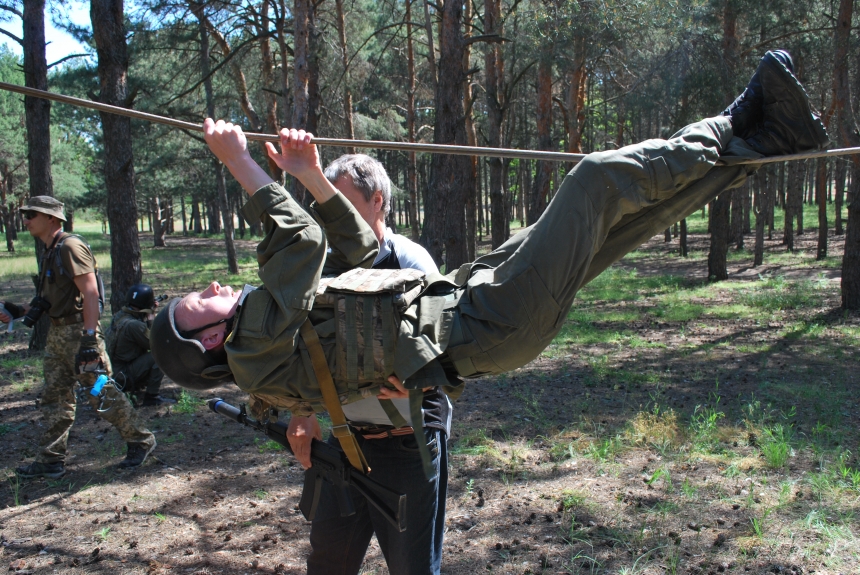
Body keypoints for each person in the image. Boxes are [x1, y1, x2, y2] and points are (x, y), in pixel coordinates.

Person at [150, 50, 827, 571]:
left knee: (624, 223)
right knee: (594, 180)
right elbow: (299, 239)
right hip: (485, 324)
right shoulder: (253, 348)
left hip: (472, 298)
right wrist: (239, 162)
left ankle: (763, 140)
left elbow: (357, 250)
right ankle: (738, 119)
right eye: (197, 300)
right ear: (206, 341)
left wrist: (311, 176)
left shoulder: (270, 325)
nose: (212, 284)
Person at [288, 153, 449, 574]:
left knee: (412, 569)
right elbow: (306, 348)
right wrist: (301, 412)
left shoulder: (411, 263)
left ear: (376, 200)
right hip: (343, 444)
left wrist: (423, 381)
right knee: (328, 563)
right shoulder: (323, 269)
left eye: (341, 202)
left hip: (407, 445)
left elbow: (450, 349)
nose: (331, 216)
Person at [0, 197, 156, 479]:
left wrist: (88, 339)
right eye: (25, 214)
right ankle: (50, 459)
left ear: (51, 218)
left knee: (102, 394)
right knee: (55, 398)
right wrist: (18, 310)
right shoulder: (51, 250)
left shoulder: (70, 246)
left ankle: (141, 440)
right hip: (58, 335)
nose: (26, 219)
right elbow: (50, 301)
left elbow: (91, 293)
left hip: (79, 334)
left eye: (32, 214)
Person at [107, 283, 175, 407]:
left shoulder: (119, 316)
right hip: (123, 376)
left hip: (113, 373)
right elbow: (156, 343)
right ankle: (152, 397)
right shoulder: (134, 325)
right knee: (160, 355)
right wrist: (151, 318)